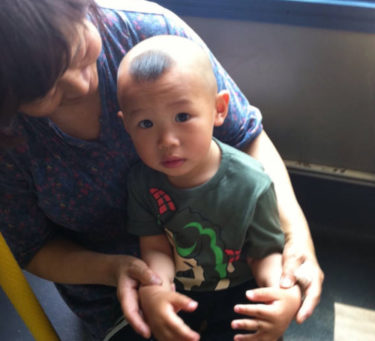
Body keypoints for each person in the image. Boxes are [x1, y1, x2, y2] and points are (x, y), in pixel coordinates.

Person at [0, 0, 323, 340]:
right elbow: (33, 246)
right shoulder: (11, 138)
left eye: (79, 48)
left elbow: (246, 139)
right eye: (46, 93)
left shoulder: (149, 34)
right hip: (115, 293)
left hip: (231, 273)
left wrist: (295, 239)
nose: (81, 86)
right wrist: (118, 271)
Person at [117, 34, 302, 341]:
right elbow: (155, 246)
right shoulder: (141, 182)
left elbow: (265, 252)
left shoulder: (251, 181)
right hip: (179, 289)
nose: (167, 141)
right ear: (126, 125)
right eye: (146, 124)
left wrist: (281, 293)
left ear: (219, 109)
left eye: (182, 117)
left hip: (240, 293)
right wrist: (156, 289)